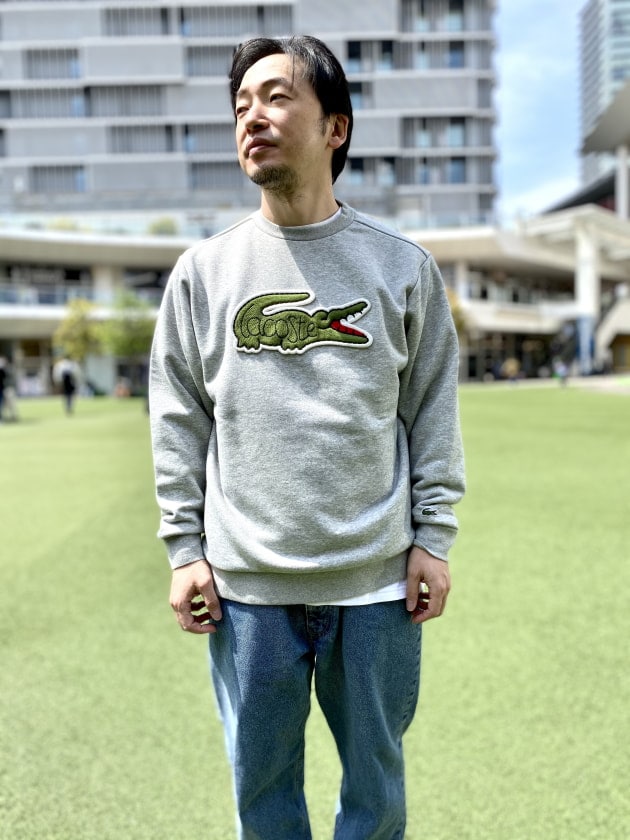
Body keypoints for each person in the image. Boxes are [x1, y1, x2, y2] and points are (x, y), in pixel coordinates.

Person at [149, 35, 465, 840]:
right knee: (263, 801)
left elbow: (432, 409)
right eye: (241, 105)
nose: (252, 117)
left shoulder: (402, 268)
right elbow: (178, 416)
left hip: (377, 585)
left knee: (376, 797)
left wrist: (434, 537)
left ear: (336, 127)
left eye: (277, 97)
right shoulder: (203, 274)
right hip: (247, 590)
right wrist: (184, 549)